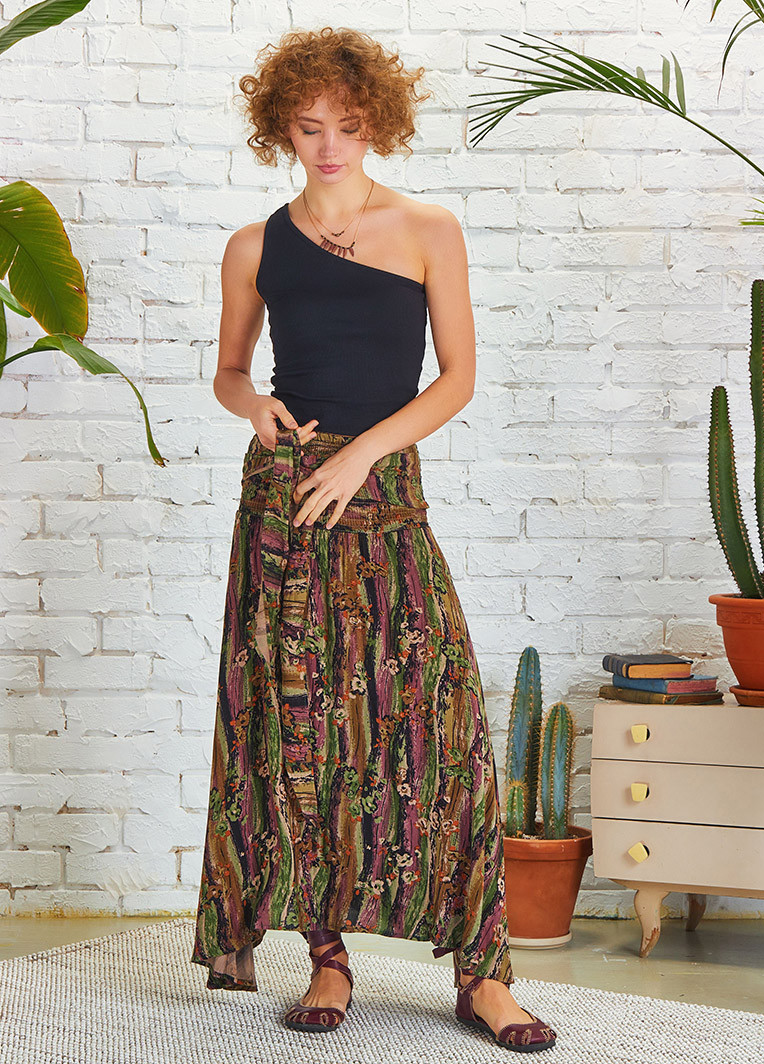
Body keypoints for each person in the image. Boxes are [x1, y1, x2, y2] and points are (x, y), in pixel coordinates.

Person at [190, 25, 557, 1054]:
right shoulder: (254, 246)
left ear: (375, 124)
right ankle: (327, 954)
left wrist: (363, 455)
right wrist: (252, 404)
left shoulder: (428, 228)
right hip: (286, 504)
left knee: (443, 724)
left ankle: (482, 973)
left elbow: (457, 377)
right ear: (281, 127)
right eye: (308, 126)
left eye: (347, 126)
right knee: (300, 729)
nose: (328, 145)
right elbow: (227, 371)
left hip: (383, 492)